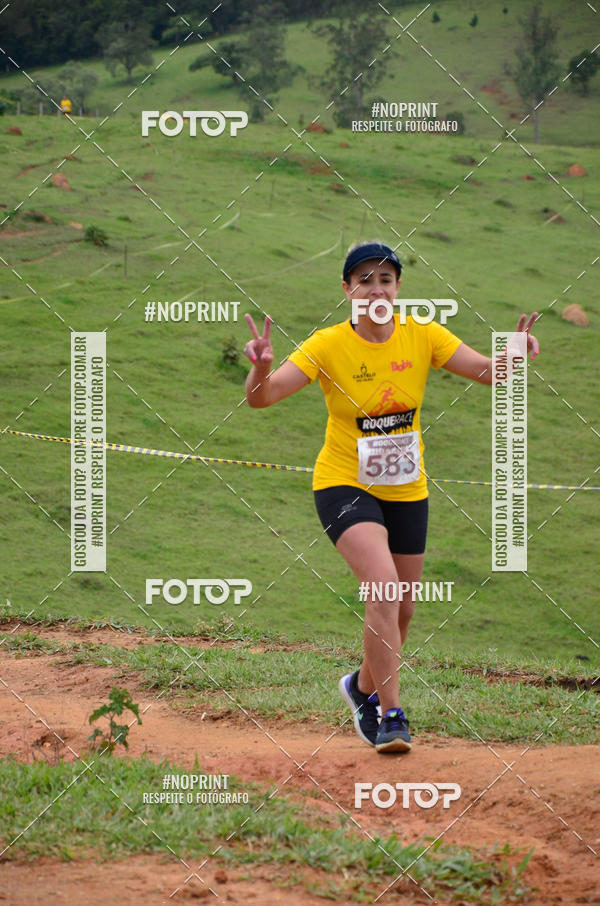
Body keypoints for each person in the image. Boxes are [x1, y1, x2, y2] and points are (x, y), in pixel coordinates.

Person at [244, 241, 539, 754]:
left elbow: (488, 372)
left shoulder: (423, 334)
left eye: (385, 279)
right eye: (364, 280)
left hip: (407, 489)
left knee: (402, 609)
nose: (375, 289)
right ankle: (391, 714)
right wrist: (260, 366)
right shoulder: (326, 345)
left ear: (398, 287)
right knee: (383, 589)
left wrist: (514, 352)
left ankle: (361, 687)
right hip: (343, 484)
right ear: (347, 290)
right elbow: (261, 398)